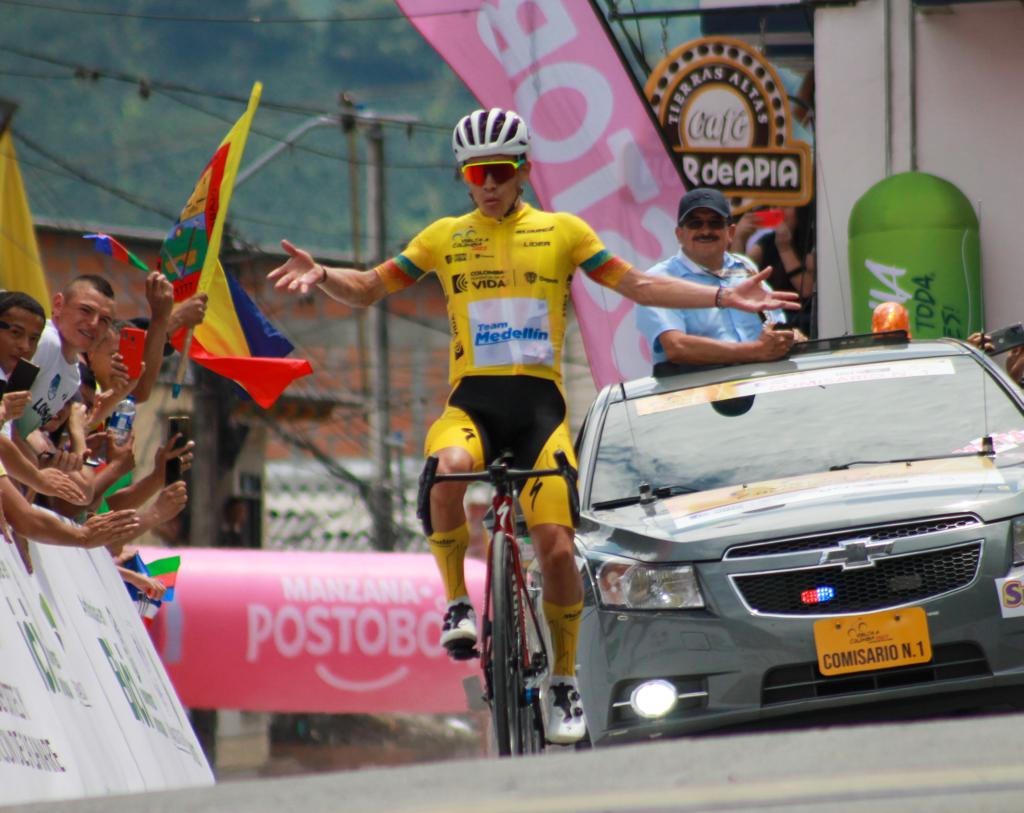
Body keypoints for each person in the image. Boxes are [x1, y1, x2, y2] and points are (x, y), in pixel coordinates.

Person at [267, 108, 799, 744]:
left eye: (498, 170)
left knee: (552, 547)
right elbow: (368, 287)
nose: (486, 183)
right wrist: (325, 275)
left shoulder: (563, 232)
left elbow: (638, 285)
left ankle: (566, 680)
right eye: (474, 173)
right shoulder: (442, 237)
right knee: (446, 470)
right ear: (465, 178)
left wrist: (721, 295)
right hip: (472, 406)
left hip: (539, 413)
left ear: (521, 170)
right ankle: (458, 603)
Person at [636, 188, 803, 376]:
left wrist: (790, 337)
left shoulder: (744, 267)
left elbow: (775, 326)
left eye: (715, 223)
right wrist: (755, 352)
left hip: (757, 391)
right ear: (679, 233)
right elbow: (676, 347)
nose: (705, 231)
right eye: (695, 223)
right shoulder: (659, 280)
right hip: (695, 397)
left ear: (730, 232)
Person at [732, 204, 816, 335]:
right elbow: (740, 279)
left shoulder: (813, 240)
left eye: (786, 206)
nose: (779, 212)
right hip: (774, 317)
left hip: (805, 320)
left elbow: (806, 289)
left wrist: (785, 249)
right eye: (774, 207)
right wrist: (739, 239)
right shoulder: (766, 242)